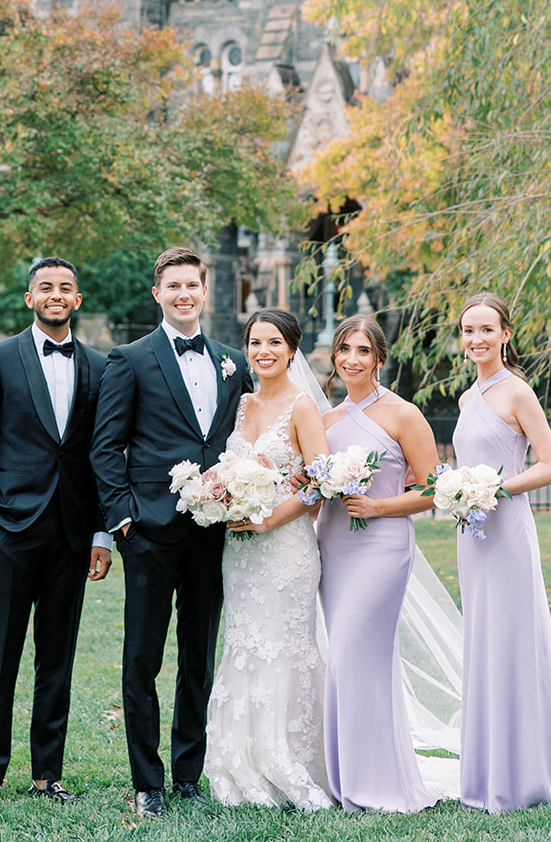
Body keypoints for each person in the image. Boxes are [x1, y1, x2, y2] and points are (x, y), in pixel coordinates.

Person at [90, 246, 252, 817]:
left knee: (198, 659)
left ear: (204, 291)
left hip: (214, 533)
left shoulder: (233, 361)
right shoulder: (130, 359)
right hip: (150, 533)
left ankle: (188, 774)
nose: (184, 294)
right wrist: (122, 519)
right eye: (173, 286)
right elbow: (105, 446)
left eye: (192, 285)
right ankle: (147, 781)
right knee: (143, 658)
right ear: (157, 294)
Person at [0, 256, 112, 814]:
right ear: (30, 298)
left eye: (66, 287)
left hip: (73, 532)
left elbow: (103, 454)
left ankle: (48, 774)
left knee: (57, 657)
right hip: (10, 527)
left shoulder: (100, 366)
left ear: (77, 299)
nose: (56, 295)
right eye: (46, 287)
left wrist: (101, 532)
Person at [452, 291, 551, 814]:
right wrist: (460, 491)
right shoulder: (466, 399)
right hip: (472, 535)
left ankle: (525, 773)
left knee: (512, 642)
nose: (477, 339)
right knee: (483, 641)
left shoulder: (518, 392)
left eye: (487, 329)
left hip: (507, 532)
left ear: (505, 335)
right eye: (468, 330)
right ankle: (486, 772)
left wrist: (496, 488)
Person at [203, 309, 334, 810]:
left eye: (275, 342)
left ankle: (291, 758)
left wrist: (268, 520)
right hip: (240, 553)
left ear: (292, 350)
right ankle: (241, 758)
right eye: (256, 342)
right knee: (244, 642)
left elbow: (320, 484)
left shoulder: (303, 407)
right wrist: (218, 494)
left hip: (286, 550)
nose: (264, 351)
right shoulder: (241, 404)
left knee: (283, 647)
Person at [317, 313, 441, 813]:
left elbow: (433, 489)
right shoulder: (325, 421)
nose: (352, 359)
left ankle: (373, 783)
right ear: (334, 357)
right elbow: (311, 491)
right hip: (334, 547)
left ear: (379, 358)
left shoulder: (403, 414)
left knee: (353, 650)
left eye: (363, 351)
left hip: (383, 546)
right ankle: (351, 774)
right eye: (344, 350)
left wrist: (379, 506)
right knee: (350, 661)